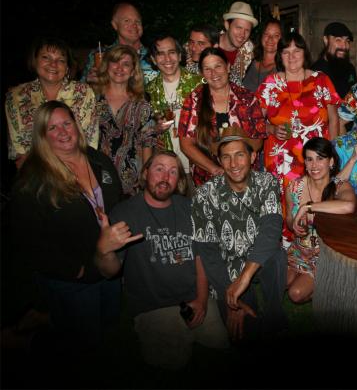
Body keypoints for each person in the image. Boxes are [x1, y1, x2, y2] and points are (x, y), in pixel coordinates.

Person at [5, 101, 123, 354]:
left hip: (108, 262)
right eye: (52, 128)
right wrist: (72, 270)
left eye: (66, 123)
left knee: (109, 321)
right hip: (74, 277)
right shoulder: (33, 179)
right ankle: (27, 337)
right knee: (82, 342)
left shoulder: (97, 159)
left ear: (76, 125)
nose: (63, 132)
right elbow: (25, 239)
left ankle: (46, 319)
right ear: (42, 136)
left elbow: (117, 200)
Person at [95, 151, 228, 370]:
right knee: (170, 366)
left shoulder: (190, 208)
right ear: (145, 173)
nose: (165, 177)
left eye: (173, 171)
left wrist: (202, 300)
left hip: (194, 298)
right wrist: (104, 250)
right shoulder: (125, 212)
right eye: (159, 169)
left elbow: (200, 257)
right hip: (153, 307)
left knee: (221, 351)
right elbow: (109, 272)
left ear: (179, 180)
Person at [190, 126, 288, 341]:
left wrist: (245, 277)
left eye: (239, 155)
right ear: (219, 160)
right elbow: (208, 253)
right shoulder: (204, 195)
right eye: (226, 157)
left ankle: (274, 313)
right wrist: (231, 299)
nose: (233, 164)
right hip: (227, 267)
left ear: (252, 157)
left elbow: (271, 229)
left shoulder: (267, 182)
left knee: (277, 255)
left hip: (259, 258)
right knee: (244, 336)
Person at [257, 31, 341, 249]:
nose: (292, 56)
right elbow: (254, 122)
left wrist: (333, 152)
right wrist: (270, 128)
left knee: (319, 204)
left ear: (305, 53)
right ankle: (288, 254)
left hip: (317, 160)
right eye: (286, 52)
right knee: (287, 211)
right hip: (282, 163)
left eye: (297, 51)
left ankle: (321, 251)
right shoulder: (270, 84)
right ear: (280, 56)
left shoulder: (320, 80)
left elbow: (334, 119)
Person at [178, 47, 267, 187]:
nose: (214, 73)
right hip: (208, 180)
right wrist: (215, 170)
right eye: (207, 69)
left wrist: (237, 167)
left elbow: (258, 140)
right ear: (202, 73)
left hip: (244, 177)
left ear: (228, 67)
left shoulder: (247, 98)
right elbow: (186, 144)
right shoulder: (194, 100)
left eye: (218, 66)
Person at [5, 37, 99, 169]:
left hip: (75, 169)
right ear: (34, 61)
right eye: (46, 57)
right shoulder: (16, 96)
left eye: (61, 60)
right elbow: (19, 150)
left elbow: (88, 144)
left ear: (67, 67)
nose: (53, 64)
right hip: (34, 171)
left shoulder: (83, 93)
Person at [285, 137, 356, 303]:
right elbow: (288, 219)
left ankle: (331, 286)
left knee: (295, 293)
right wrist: (294, 224)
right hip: (298, 251)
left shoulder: (339, 186)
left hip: (323, 256)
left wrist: (307, 207)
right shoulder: (294, 187)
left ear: (331, 162)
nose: (314, 165)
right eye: (309, 159)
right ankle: (307, 279)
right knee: (281, 282)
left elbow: (349, 206)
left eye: (320, 158)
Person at [94, 45, 155, 197]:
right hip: (97, 176)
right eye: (115, 62)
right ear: (107, 65)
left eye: (126, 64)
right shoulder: (92, 99)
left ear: (133, 71)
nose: (119, 68)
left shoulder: (142, 104)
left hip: (132, 180)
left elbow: (147, 142)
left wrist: (145, 175)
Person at [146, 34, 202, 179]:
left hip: (198, 164)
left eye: (171, 52)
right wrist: (156, 129)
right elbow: (143, 132)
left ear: (179, 55)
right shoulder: (149, 91)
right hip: (167, 169)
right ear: (153, 59)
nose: (167, 59)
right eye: (160, 54)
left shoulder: (200, 84)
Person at [82, 2, 158, 85]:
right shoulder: (101, 55)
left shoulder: (155, 55)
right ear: (115, 25)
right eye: (127, 21)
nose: (134, 25)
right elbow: (79, 89)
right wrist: (89, 83)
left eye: (137, 21)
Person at [311, 22, 357, 99]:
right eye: (338, 40)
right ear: (326, 40)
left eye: (347, 41)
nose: (344, 46)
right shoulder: (314, 72)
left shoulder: (350, 69)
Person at [219, 1, 258, 86]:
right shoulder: (206, 45)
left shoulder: (249, 51)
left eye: (247, 30)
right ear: (227, 25)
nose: (242, 34)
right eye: (239, 28)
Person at [243, 18, 282, 93]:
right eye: (266, 34)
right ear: (261, 36)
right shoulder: (249, 62)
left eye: (276, 35)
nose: (270, 39)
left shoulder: (283, 68)